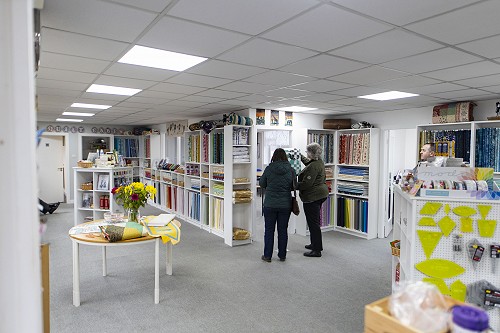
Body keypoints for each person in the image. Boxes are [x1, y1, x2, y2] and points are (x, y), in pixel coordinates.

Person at [259, 148, 295, 262]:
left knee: (269, 230)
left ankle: (267, 256)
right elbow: (294, 185)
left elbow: (262, 183)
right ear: (285, 157)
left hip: (270, 204)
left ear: (273, 156)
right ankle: (282, 255)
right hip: (285, 204)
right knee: (283, 230)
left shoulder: (269, 169)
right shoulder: (291, 169)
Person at [298, 143, 329, 257]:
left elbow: (307, 184)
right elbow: (308, 162)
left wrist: (293, 185)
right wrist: (299, 155)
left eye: (307, 152)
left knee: (313, 223)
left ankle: (317, 250)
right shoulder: (318, 161)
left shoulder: (314, 166)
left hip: (313, 197)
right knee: (313, 222)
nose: (307, 154)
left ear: (312, 153)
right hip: (320, 194)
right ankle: (314, 243)